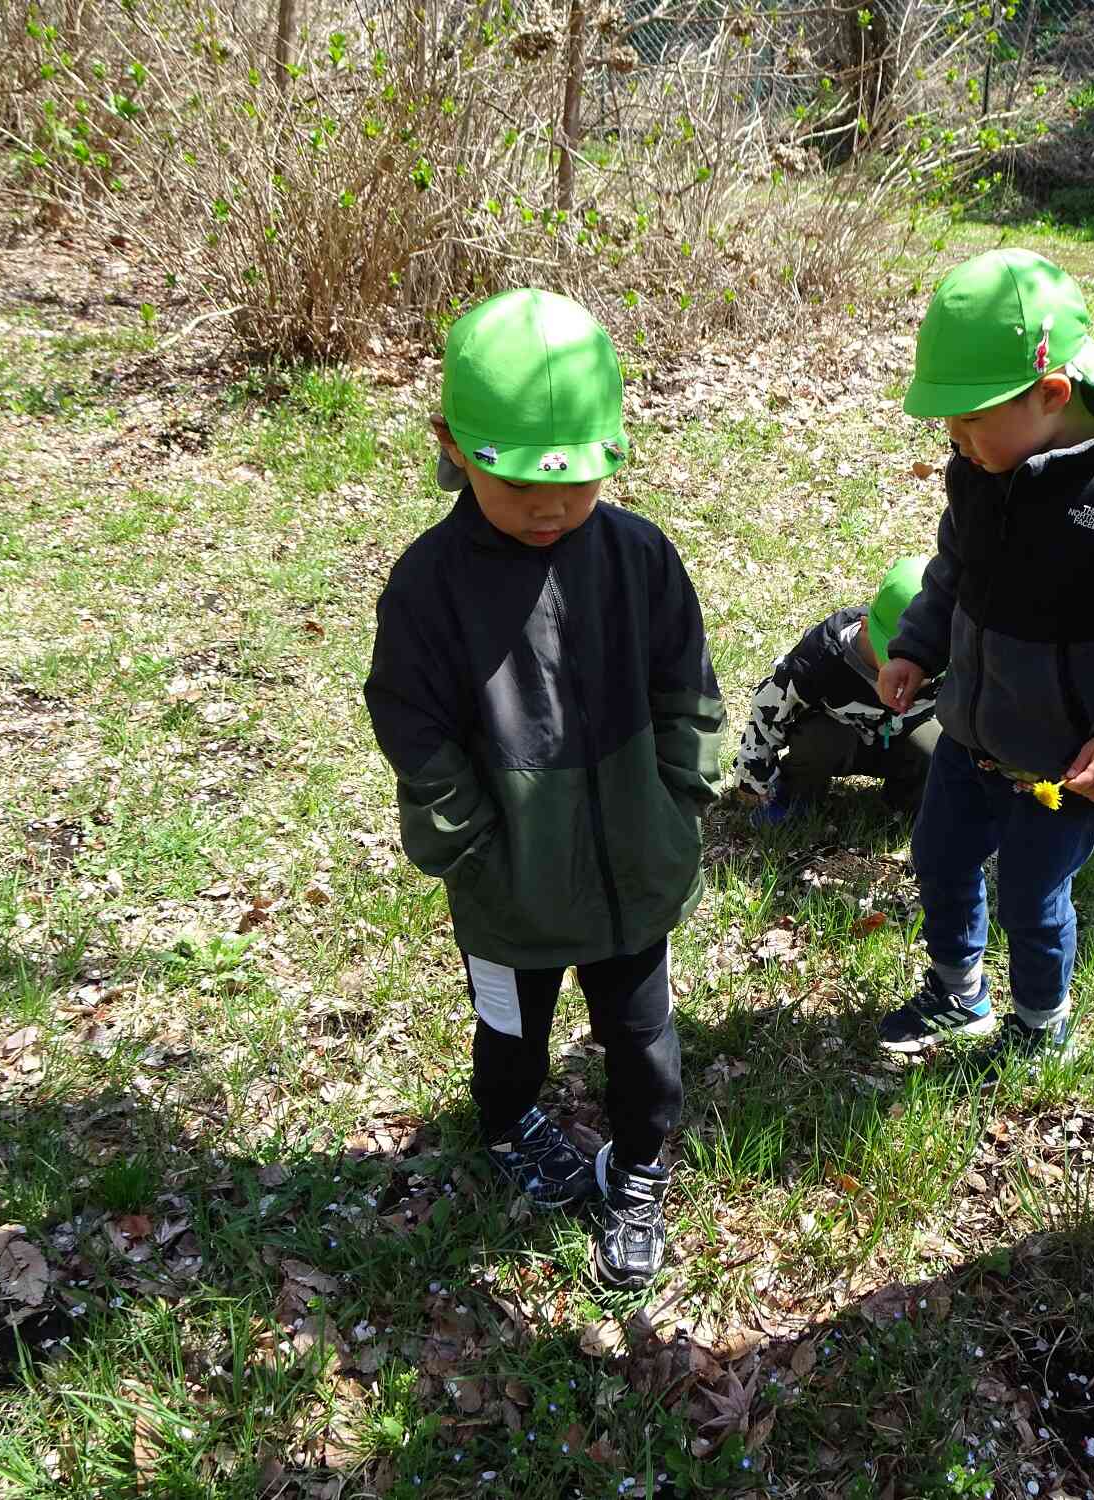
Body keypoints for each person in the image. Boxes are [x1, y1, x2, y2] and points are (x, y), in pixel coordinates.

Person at [363, 288, 723, 1288]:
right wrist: (469, 843)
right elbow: (411, 722)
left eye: (577, 482)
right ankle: (512, 1119)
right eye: (519, 483)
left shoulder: (639, 557)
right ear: (452, 444)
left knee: (641, 1036)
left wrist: (679, 800)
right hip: (506, 881)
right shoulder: (428, 587)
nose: (551, 506)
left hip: (631, 871)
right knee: (510, 1029)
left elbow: (684, 684)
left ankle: (642, 1165)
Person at [875, 249, 1094, 1070]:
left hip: (1062, 762)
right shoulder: (980, 470)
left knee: (1035, 896)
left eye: (971, 421)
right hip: (970, 734)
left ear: (1052, 395)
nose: (955, 443)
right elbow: (952, 573)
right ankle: (957, 990)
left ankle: (1039, 1025)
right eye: (948, 425)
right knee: (940, 857)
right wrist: (919, 647)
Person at [734, 556, 943, 823]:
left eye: (927, 672)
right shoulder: (820, 660)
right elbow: (769, 711)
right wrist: (753, 777)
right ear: (866, 627)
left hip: (899, 738)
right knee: (819, 739)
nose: (911, 681)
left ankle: (909, 805)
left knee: (936, 744)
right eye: (896, 661)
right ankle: (798, 798)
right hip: (841, 740)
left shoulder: (951, 662)